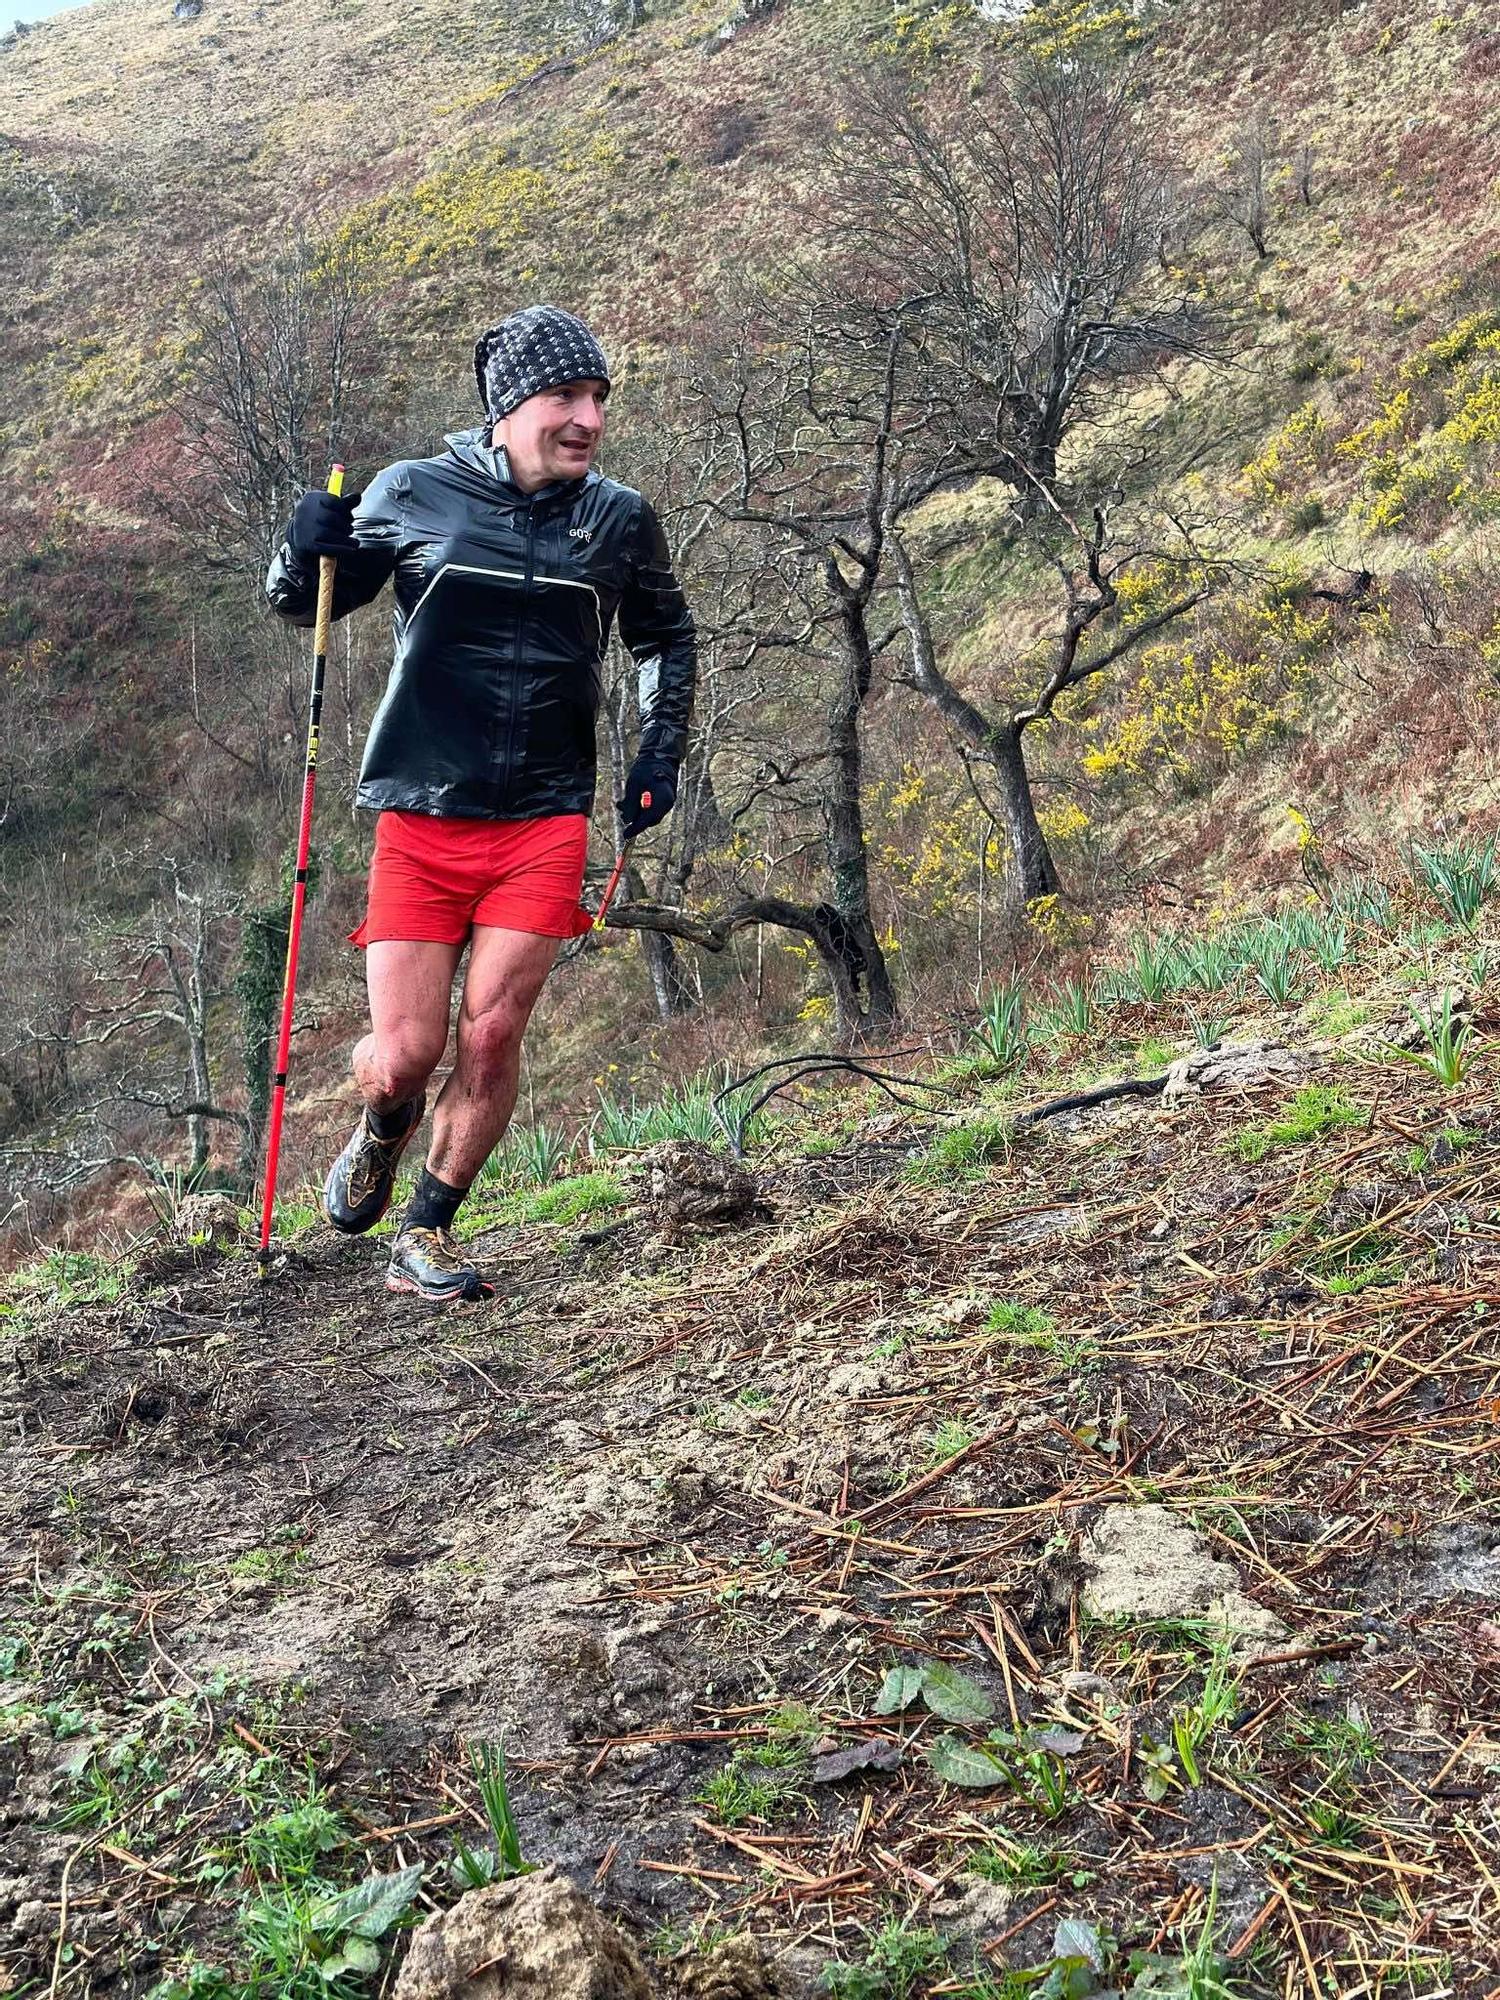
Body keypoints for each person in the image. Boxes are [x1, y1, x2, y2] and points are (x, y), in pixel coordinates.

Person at [265, 305, 695, 1302]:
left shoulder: (618, 519)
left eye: (598, 399)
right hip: (422, 812)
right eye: (565, 398)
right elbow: (308, 600)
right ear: (507, 411)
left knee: (494, 1029)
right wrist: (301, 546)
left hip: (544, 815)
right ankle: (381, 1120)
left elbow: (666, 635)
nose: (588, 417)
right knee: (406, 1053)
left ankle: (427, 1229)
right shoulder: (415, 492)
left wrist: (659, 747)